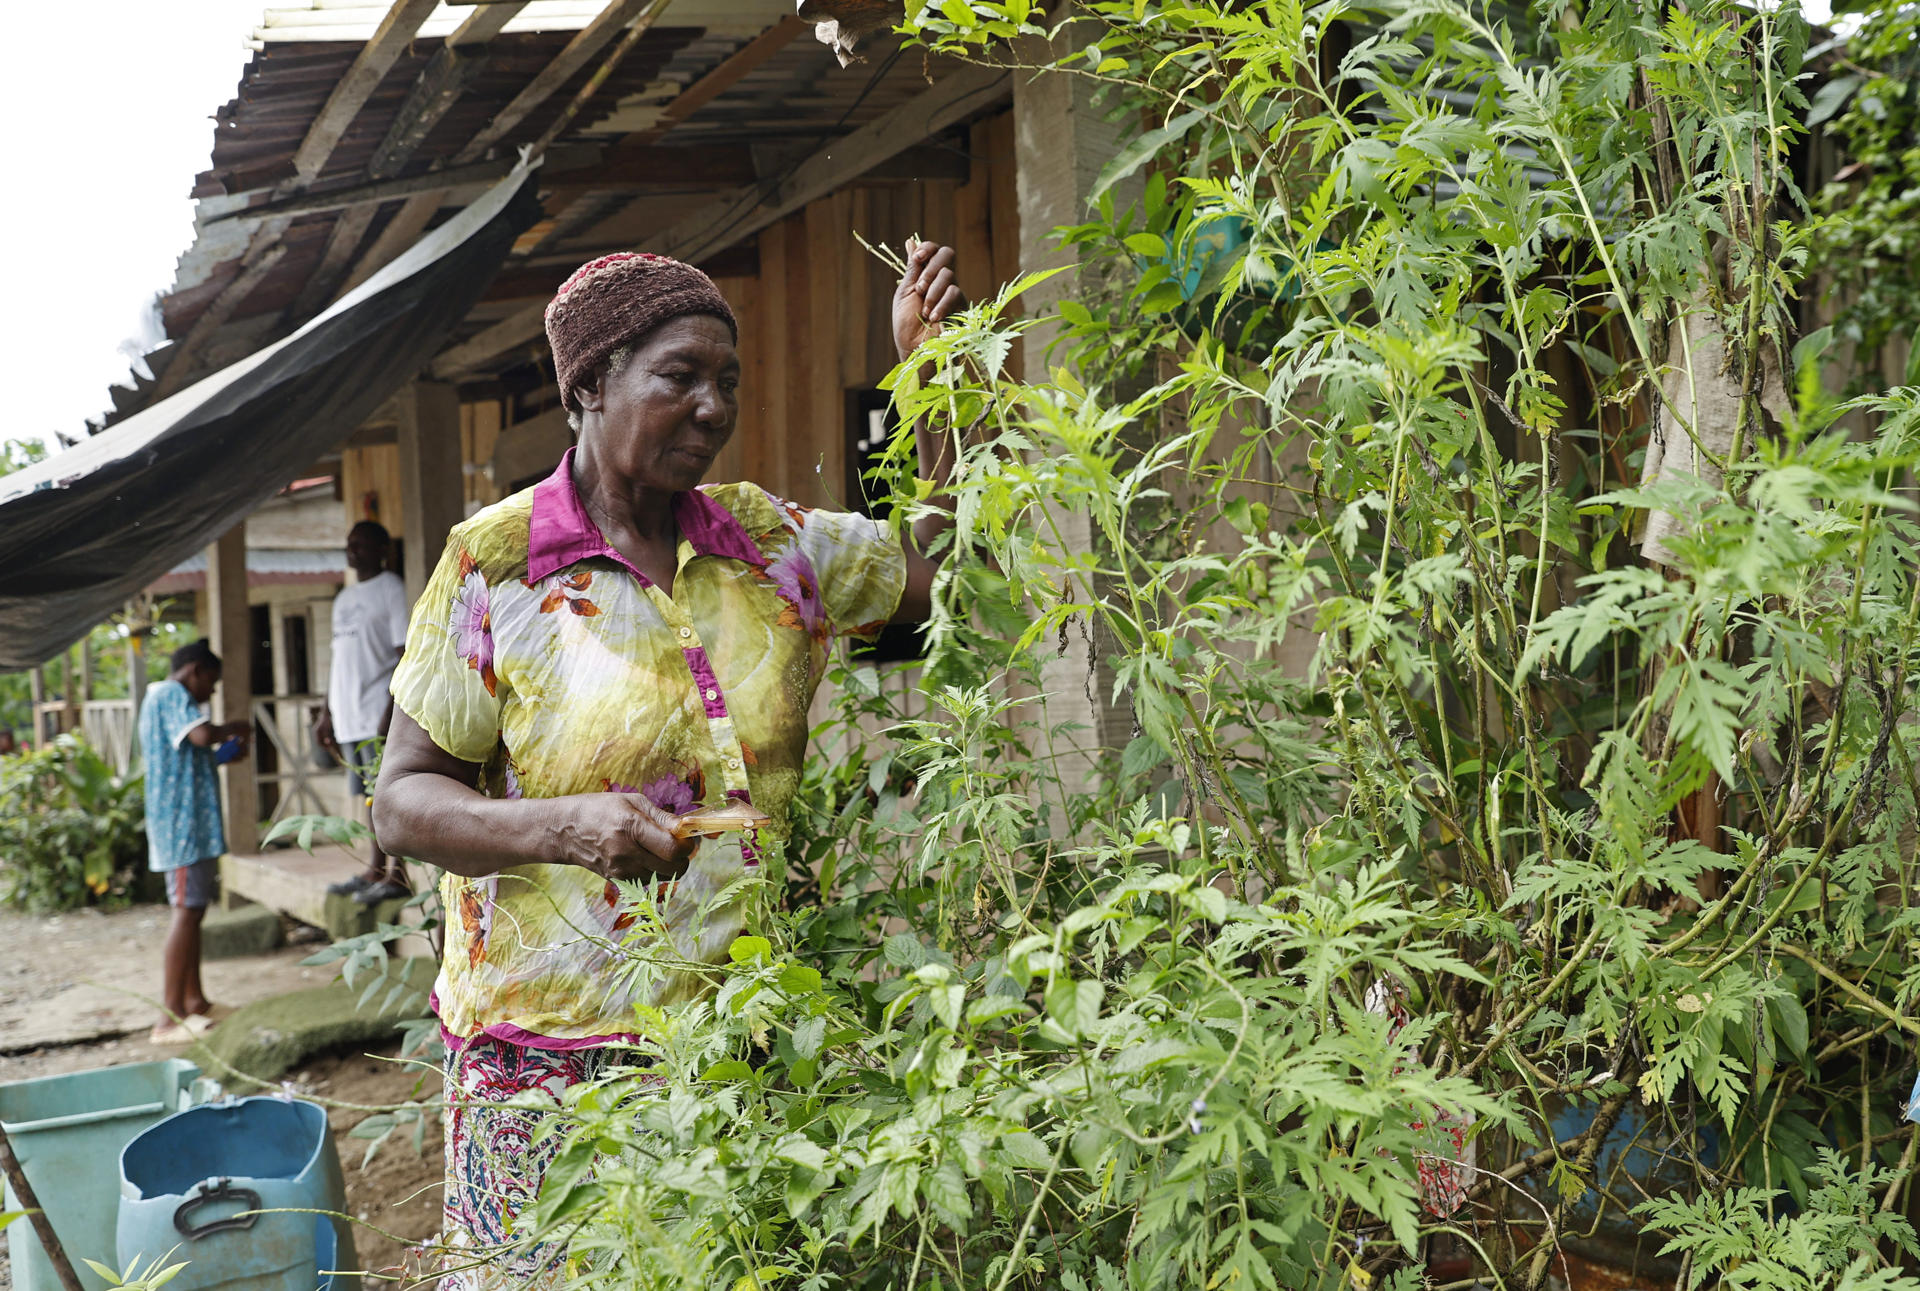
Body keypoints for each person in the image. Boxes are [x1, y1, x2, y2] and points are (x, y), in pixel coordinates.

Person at [374, 243, 964, 1287]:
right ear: (588, 386)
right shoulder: (497, 564)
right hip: (548, 1074)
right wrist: (563, 826)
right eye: (680, 375)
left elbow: (948, 572)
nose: (713, 406)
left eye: (728, 380)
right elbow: (403, 804)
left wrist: (934, 382)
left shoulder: (767, 544)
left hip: (739, 1042)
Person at [137, 638, 251, 1045]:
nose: (211, 693)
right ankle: (168, 1018)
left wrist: (223, 754)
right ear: (195, 671)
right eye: (211, 683)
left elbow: (189, 755)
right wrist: (232, 728)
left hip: (191, 827)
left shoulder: (166, 700)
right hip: (181, 828)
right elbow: (202, 735)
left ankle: (194, 1002)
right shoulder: (170, 693)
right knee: (185, 913)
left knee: (194, 911)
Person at [315, 520, 411, 904]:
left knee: (387, 794)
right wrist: (326, 712)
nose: (352, 551)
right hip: (348, 714)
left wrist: (391, 710)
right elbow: (338, 660)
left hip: (376, 712)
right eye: (349, 545)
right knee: (368, 798)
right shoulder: (343, 599)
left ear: (382, 550)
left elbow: (404, 655)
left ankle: (397, 874)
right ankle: (375, 869)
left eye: (361, 544)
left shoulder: (391, 590)